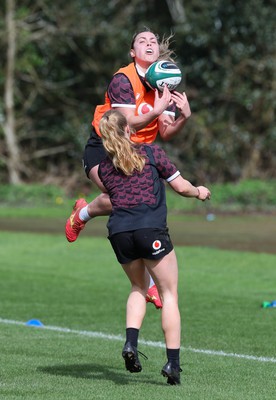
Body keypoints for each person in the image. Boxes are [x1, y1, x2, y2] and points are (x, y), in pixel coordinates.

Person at [65, 28, 191, 309]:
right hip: (105, 147)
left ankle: (82, 214)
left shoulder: (165, 81)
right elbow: (122, 125)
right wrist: (157, 111)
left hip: (136, 155)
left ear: (158, 51)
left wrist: (183, 116)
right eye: (141, 41)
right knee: (122, 200)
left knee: (131, 205)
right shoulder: (123, 79)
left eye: (153, 41)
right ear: (133, 53)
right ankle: (144, 284)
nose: (149, 43)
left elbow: (166, 132)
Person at [96, 109, 211, 385]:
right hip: (150, 230)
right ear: (128, 129)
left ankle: (130, 344)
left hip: (120, 232)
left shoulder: (103, 168)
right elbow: (181, 187)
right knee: (168, 294)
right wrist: (199, 191)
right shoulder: (150, 153)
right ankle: (173, 365)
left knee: (138, 287)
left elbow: (111, 196)